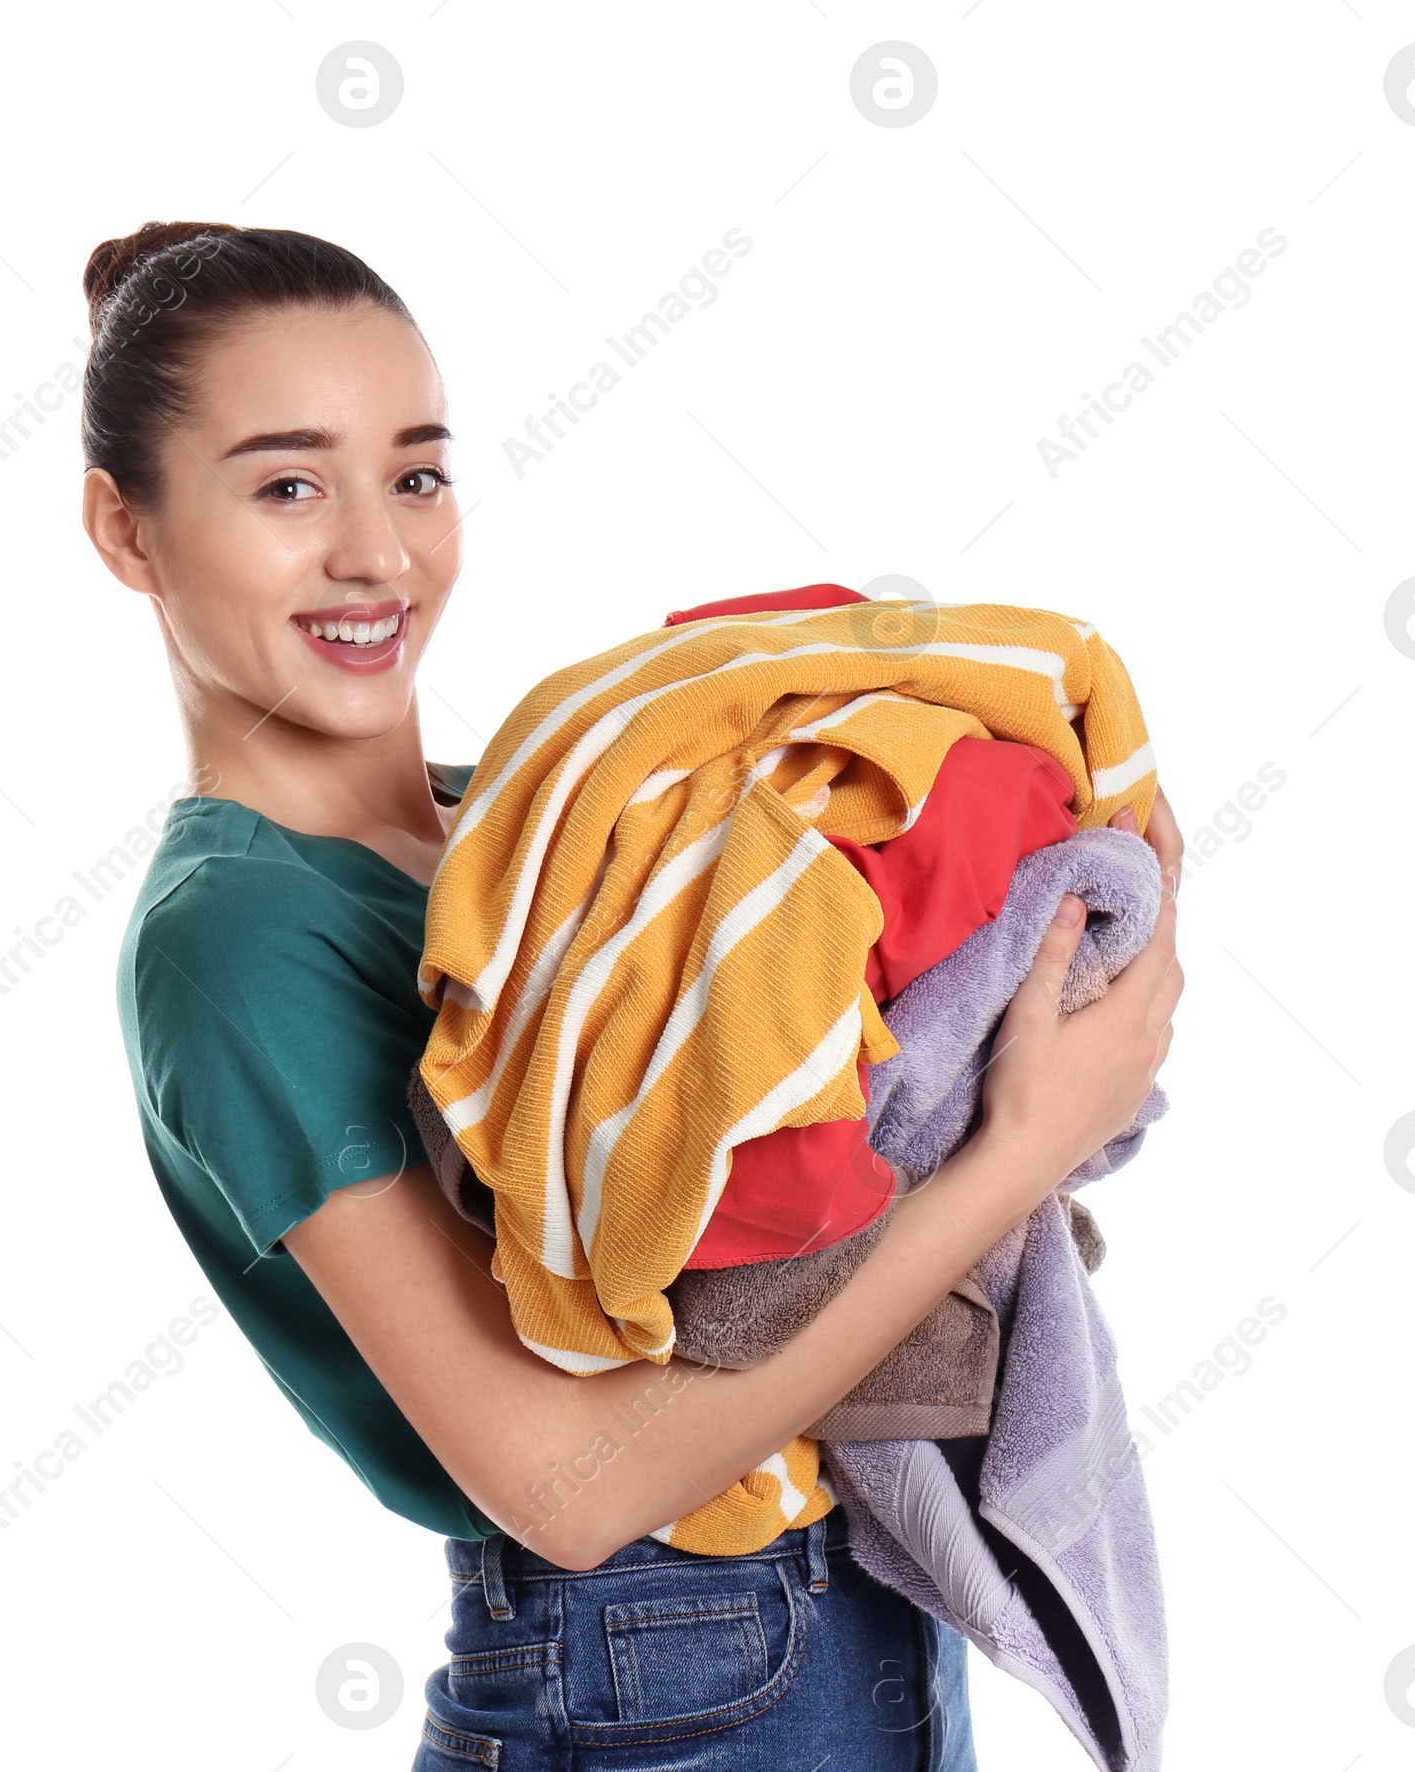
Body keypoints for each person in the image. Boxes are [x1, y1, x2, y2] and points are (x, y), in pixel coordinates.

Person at [81, 220, 1185, 1769]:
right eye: (285, 486)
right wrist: (1014, 1152)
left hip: (844, 1608)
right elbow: (573, 1493)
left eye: (415, 473)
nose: (377, 553)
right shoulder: (235, 935)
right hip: (658, 1658)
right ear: (124, 530)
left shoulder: (531, 830)